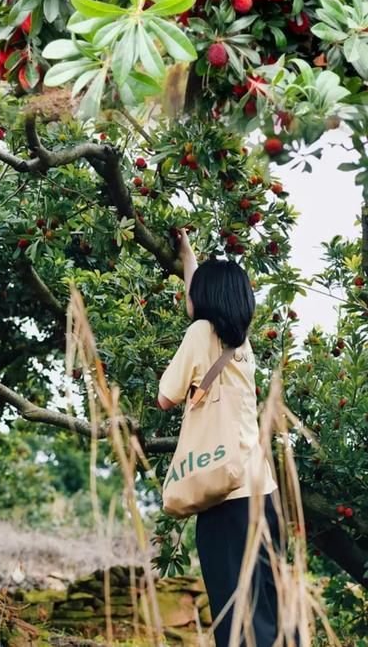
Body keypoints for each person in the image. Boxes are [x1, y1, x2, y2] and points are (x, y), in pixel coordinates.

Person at [157, 229, 281, 647]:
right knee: (268, 613)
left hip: (223, 497)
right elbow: (199, 301)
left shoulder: (199, 334)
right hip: (264, 495)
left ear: (203, 302)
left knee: (236, 622)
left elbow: (165, 398)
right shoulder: (242, 343)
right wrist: (188, 254)